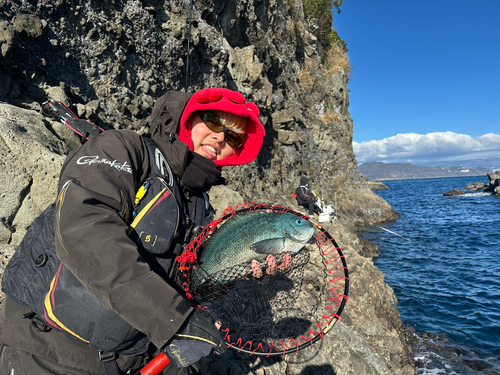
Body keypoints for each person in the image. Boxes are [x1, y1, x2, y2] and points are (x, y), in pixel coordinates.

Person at [0, 88, 265, 375]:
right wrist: (172, 320)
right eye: (213, 121)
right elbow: (84, 228)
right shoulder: (123, 148)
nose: (220, 138)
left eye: (234, 137)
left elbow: (188, 286)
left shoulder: (201, 207)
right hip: (48, 350)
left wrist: (242, 273)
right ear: (188, 118)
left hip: (124, 364)